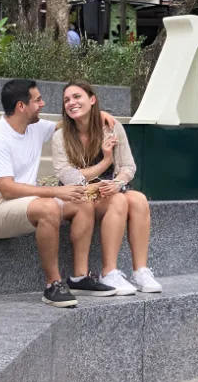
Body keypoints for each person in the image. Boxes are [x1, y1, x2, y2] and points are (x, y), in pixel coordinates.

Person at [0, 79, 117, 307]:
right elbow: (7, 190)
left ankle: (79, 277)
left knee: (81, 201)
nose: (43, 103)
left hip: (25, 204)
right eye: (37, 100)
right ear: (21, 106)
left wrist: (98, 112)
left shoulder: (34, 128)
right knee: (48, 206)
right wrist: (57, 192)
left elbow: (65, 123)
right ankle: (53, 285)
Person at [53, 81, 161, 295]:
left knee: (138, 199)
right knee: (120, 200)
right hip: (77, 195)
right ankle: (109, 271)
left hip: (106, 192)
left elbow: (128, 166)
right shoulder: (61, 136)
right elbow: (68, 177)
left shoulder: (111, 128)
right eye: (67, 100)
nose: (71, 102)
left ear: (92, 100)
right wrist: (105, 162)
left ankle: (140, 271)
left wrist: (117, 183)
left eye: (77, 97)